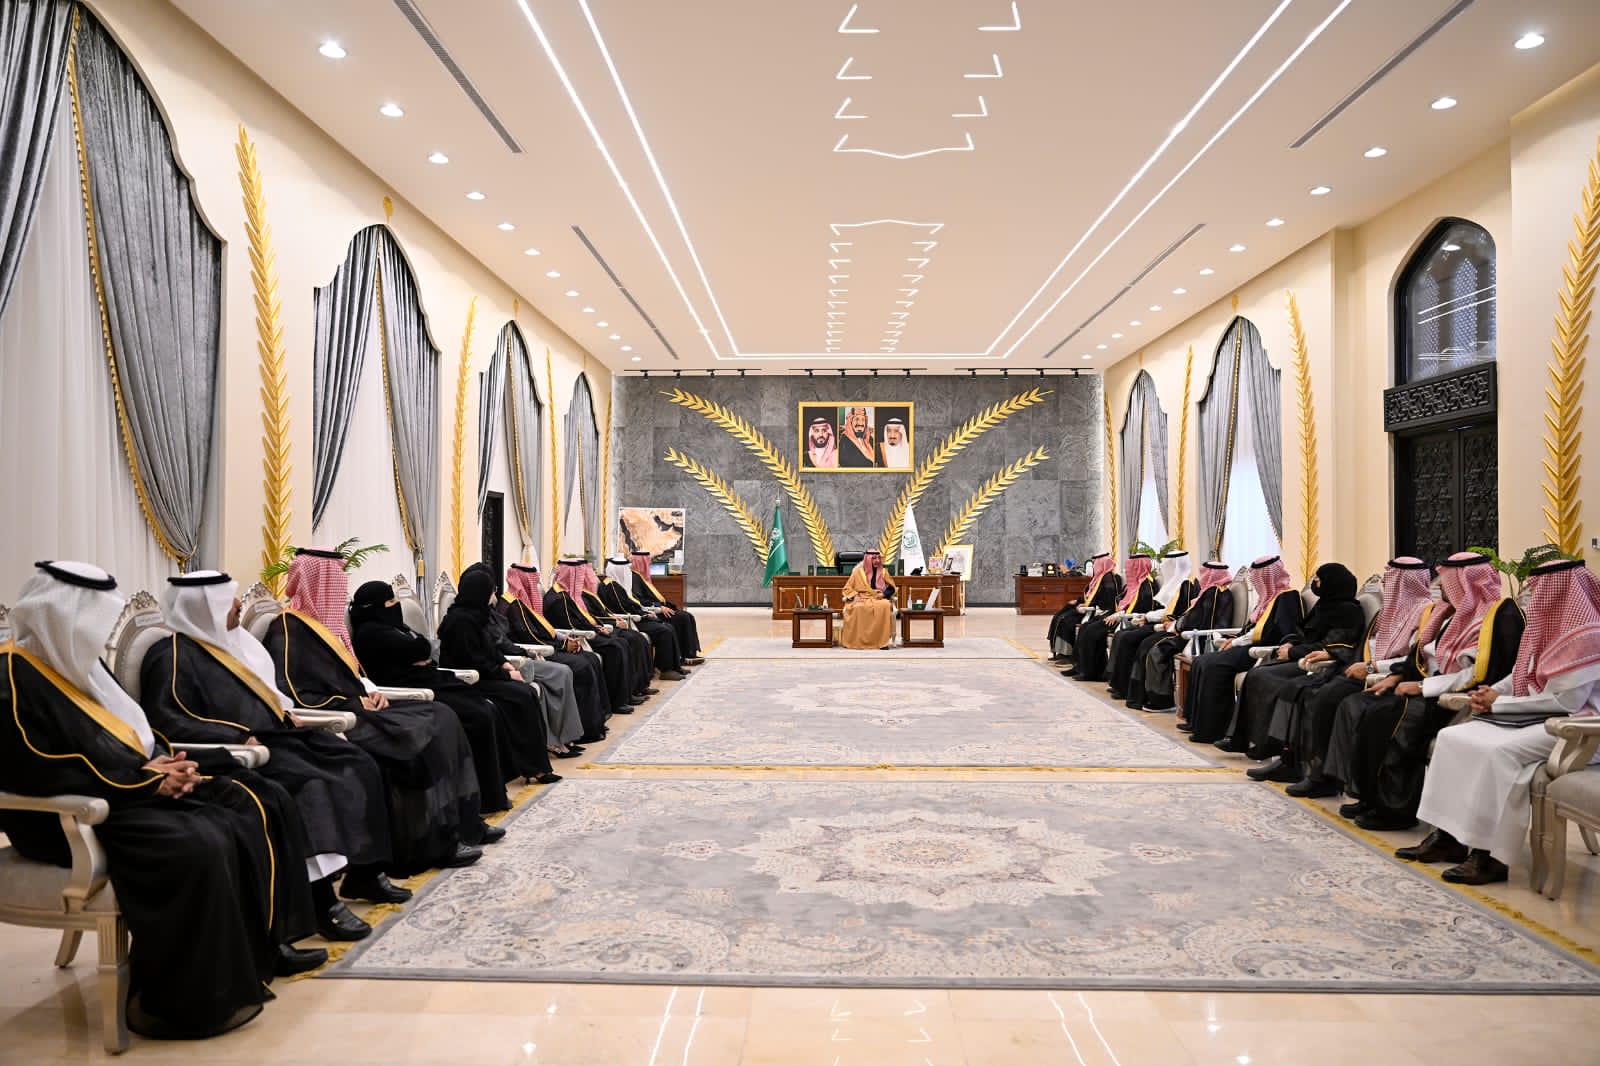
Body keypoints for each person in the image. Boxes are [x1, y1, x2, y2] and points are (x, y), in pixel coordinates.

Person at [0, 561, 323, 1039]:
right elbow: (35, 766)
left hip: (120, 792)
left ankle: (259, 953)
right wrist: (145, 782)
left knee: (247, 801)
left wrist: (166, 764)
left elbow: (133, 730)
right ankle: (181, 1002)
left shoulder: (78, 663)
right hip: (69, 816)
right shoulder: (12, 674)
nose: (99, 632)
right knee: (199, 842)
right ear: (62, 616)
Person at [141, 571, 398, 941]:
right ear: (203, 607)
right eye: (227, 600)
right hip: (240, 751)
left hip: (277, 736)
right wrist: (235, 736)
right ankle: (321, 901)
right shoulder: (172, 656)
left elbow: (269, 695)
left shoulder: (233, 642)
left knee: (358, 763)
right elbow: (168, 720)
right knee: (310, 785)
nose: (237, 605)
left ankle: (365, 872)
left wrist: (284, 714)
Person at [262, 548, 487, 873]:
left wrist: (370, 690)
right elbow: (295, 693)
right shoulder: (288, 629)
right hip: (336, 720)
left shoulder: (325, 627)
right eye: (336, 584)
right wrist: (355, 702)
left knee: (442, 717)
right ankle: (425, 847)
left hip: (362, 708)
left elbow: (352, 674)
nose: (341, 591)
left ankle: (458, 828)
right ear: (320, 584)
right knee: (415, 745)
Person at [1407, 558, 1600, 884]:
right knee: (1454, 738)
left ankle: (1490, 857)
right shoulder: (1548, 626)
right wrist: (1492, 692)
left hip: (1579, 730)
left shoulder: (1587, 634)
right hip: (1539, 719)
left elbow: (1565, 702)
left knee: (1497, 754)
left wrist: (1500, 705)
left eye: (1538, 590)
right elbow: (1522, 673)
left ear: (1560, 591)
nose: (1532, 596)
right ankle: (1448, 838)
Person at [1330, 551, 1523, 832]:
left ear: (1465, 582)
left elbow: (1481, 673)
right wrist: (1397, 677)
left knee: (1387, 718)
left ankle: (1397, 809)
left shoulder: (1496, 618)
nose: (1440, 585)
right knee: (1366, 707)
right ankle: (1371, 798)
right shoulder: (1448, 614)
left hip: (1451, 697)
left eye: (1447, 580)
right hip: (1427, 688)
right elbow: (1420, 656)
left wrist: (1423, 687)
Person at [350, 579, 559, 803]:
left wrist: (421, 652)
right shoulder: (370, 632)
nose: (396, 605)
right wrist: (420, 651)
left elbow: (426, 647)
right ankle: (486, 794)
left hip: (434, 679)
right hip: (414, 688)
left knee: (495, 705)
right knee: (482, 713)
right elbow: (422, 647)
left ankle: (500, 784)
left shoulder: (396, 627)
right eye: (391, 601)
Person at [1272, 558, 1436, 798]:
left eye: (1389, 578)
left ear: (1404, 582)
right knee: (1309, 691)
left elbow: (1414, 658)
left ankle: (1325, 777)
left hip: (1386, 674)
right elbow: (1365, 644)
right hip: (1363, 668)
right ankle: (1301, 765)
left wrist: (1371, 667)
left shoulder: (1424, 613)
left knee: (1327, 698)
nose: (1384, 582)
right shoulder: (1387, 610)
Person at [1224, 562, 1363, 763]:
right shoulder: (1324, 604)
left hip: (1317, 665)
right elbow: (1302, 632)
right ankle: (1243, 739)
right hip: (1300, 658)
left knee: (1263, 676)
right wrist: (1289, 643)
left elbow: (1330, 646)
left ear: (1332, 583)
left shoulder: (1349, 611)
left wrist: (1293, 652)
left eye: (1318, 580)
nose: (1315, 583)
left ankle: (1268, 744)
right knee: (1256, 674)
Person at [434, 569, 569, 769]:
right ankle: (530, 765)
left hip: (485, 675)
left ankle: (536, 762)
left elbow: (490, 649)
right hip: (469, 680)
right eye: (491, 591)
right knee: (522, 696)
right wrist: (506, 674)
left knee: (528, 693)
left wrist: (504, 663)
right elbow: (474, 660)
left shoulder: (476, 616)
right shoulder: (460, 621)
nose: (494, 595)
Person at [460, 561, 593, 749]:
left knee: (578, 666)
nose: (495, 594)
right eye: (491, 590)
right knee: (564, 672)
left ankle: (563, 738)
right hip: (513, 662)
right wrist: (525, 656)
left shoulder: (490, 612)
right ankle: (553, 741)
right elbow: (503, 643)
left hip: (517, 657)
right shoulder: (506, 607)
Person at [1182, 555, 1304, 742]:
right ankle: (1196, 722)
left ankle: (1213, 730)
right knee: (1201, 661)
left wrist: (1237, 642)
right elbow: (1250, 628)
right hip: (1249, 646)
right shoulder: (1267, 599)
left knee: (1214, 666)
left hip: (1263, 650)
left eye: (1258, 576)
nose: (1255, 581)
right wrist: (1234, 639)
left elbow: (1273, 632)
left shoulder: (1287, 597)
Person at [504, 562, 629, 725]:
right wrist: (563, 645)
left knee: (591, 658)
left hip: (550, 645)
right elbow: (530, 637)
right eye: (532, 582)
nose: (535, 586)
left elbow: (546, 629)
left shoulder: (524, 603)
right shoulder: (515, 606)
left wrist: (564, 639)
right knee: (583, 665)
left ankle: (598, 715)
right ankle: (588, 724)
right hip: (537, 652)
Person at [545, 557, 658, 701]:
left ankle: (632, 690)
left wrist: (597, 626)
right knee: (617, 646)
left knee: (625, 641)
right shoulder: (558, 598)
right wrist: (598, 629)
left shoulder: (568, 595)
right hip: (579, 636)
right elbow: (571, 624)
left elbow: (584, 618)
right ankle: (619, 699)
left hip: (588, 631)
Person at [1126, 560, 1234, 711]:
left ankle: (1161, 700)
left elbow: (1198, 621)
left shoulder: (1214, 593)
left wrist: (1175, 625)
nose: (1201, 577)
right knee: (1147, 644)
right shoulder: (1211, 592)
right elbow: (1193, 616)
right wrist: (1176, 624)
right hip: (1188, 632)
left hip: (1196, 637)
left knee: (1157, 650)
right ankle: (1144, 696)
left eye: (1204, 574)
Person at [1107, 551, 1195, 700]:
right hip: (1158, 622)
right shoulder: (1171, 583)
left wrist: (1148, 617)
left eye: (1167, 563)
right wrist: (1148, 617)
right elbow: (1165, 610)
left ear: (1175, 565)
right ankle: (1123, 685)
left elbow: (1178, 614)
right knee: (1125, 636)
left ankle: (1137, 692)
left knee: (1134, 640)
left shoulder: (1185, 585)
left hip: (1170, 627)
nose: (1163, 566)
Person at [599, 554, 690, 679]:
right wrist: (645, 614)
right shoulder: (612, 587)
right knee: (663, 631)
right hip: (631, 620)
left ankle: (674, 666)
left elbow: (633, 604)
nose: (628, 572)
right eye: (626, 569)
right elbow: (624, 608)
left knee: (668, 627)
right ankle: (666, 670)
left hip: (637, 617)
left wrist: (646, 611)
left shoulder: (618, 585)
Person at [1072, 554, 1157, 682]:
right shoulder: (1132, 584)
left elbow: (1143, 610)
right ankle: (1083, 668)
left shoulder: (1147, 586)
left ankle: (1092, 673)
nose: (1127, 570)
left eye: (1130, 567)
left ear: (1138, 567)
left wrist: (1118, 615)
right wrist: (1114, 613)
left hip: (1129, 620)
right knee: (1086, 627)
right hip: (1117, 615)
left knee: (1093, 631)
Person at [626, 549, 703, 664]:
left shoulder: (642, 577)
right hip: (653, 612)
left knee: (687, 616)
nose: (649, 564)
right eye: (647, 562)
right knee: (682, 618)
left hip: (659, 609)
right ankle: (684, 655)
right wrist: (659, 607)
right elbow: (639, 600)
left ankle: (690, 653)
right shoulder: (633, 578)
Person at [1047, 552, 1119, 664]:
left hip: (1094, 612)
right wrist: (1079, 601)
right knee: (1059, 615)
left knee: (1066, 620)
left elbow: (1106, 602)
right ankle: (1058, 651)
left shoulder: (1108, 579)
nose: (1094, 566)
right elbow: (1090, 594)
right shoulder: (1099, 577)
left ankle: (1068, 654)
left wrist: (1088, 605)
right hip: (1087, 606)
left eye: (1095, 563)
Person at [842, 549, 896, 649]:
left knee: (885, 605)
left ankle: (882, 642)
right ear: (867, 559)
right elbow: (847, 588)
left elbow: (892, 588)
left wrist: (884, 594)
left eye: (878, 558)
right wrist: (855, 596)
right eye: (874, 558)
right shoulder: (858, 572)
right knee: (857, 607)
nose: (877, 561)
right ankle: (857, 641)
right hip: (861, 597)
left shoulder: (883, 572)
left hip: (878, 598)